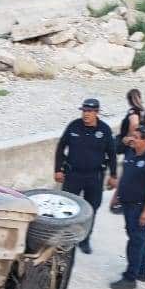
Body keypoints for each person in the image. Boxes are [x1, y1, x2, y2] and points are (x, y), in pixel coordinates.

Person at [53, 98, 117, 254]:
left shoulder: (105, 130)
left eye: (89, 111)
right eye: (84, 111)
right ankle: (65, 239)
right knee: (67, 207)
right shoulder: (74, 126)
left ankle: (85, 240)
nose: (86, 114)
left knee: (91, 209)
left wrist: (113, 175)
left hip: (94, 177)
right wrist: (58, 169)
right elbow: (61, 147)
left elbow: (112, 154)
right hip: (73, 175)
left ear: (96, 112)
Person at [108, 125, 145, 289]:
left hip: (140, 207)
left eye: (136, 137)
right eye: (133, 136)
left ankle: (130, 278)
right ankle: (143, 271)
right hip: (127, 204)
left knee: (135, 242)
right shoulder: (131, 152)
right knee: (138, 238)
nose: (132, 139)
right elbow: (125, 177)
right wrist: (115, 196)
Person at [111, 89, 145, 213]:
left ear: (129, 100)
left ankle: (119, 202)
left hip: (131, 147)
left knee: (126, 174)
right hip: (142, 146)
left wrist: (129, 139)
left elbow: (134, 124)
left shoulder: (133, 111)